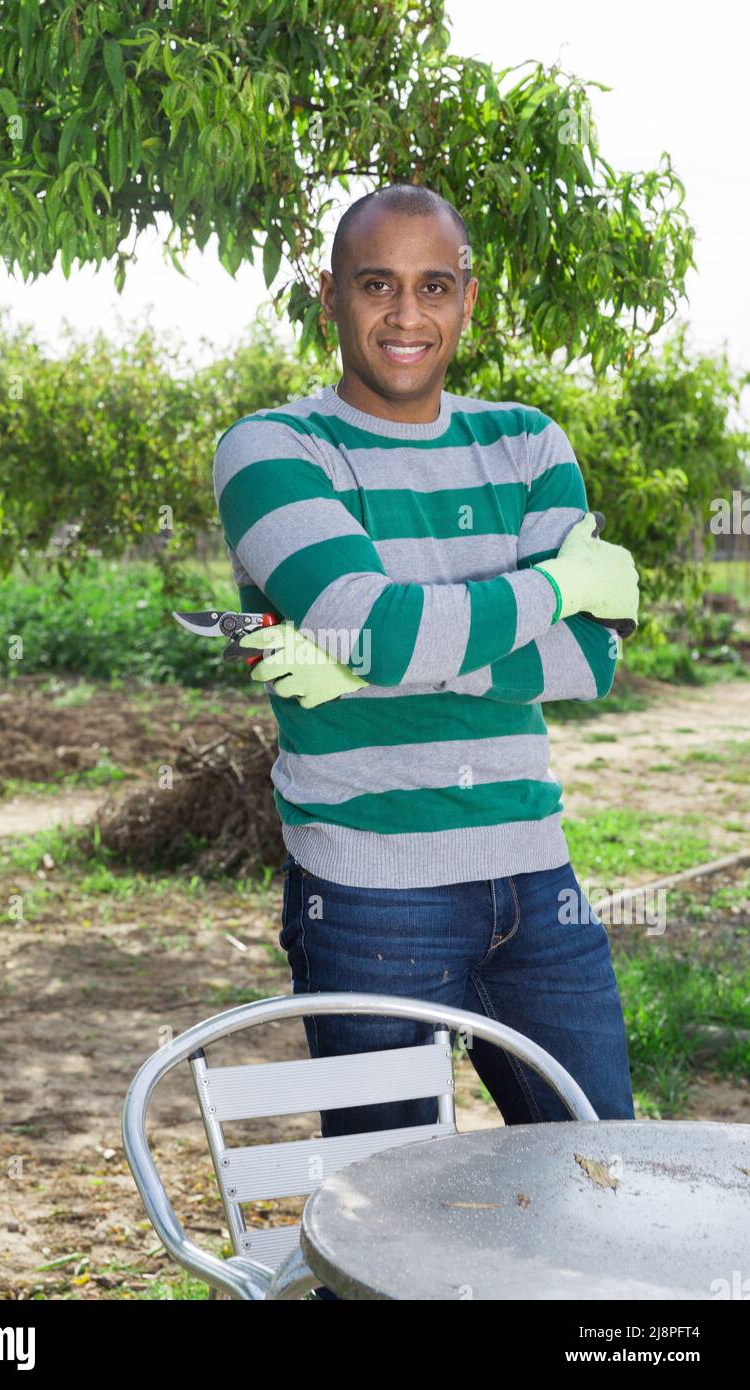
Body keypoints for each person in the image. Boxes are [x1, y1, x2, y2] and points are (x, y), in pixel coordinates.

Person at [212, 183, 639, 1299]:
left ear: (465, 298)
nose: (406, 314)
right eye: (376, 285)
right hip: (367, 901)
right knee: (382, 1238)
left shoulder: (526, 441)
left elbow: (588, 662)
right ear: (329, 299)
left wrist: (357, 658)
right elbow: (390, 625)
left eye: (432, 286)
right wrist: (550, 585)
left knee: (604, 1190)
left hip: (538, 891)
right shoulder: (269, 448)